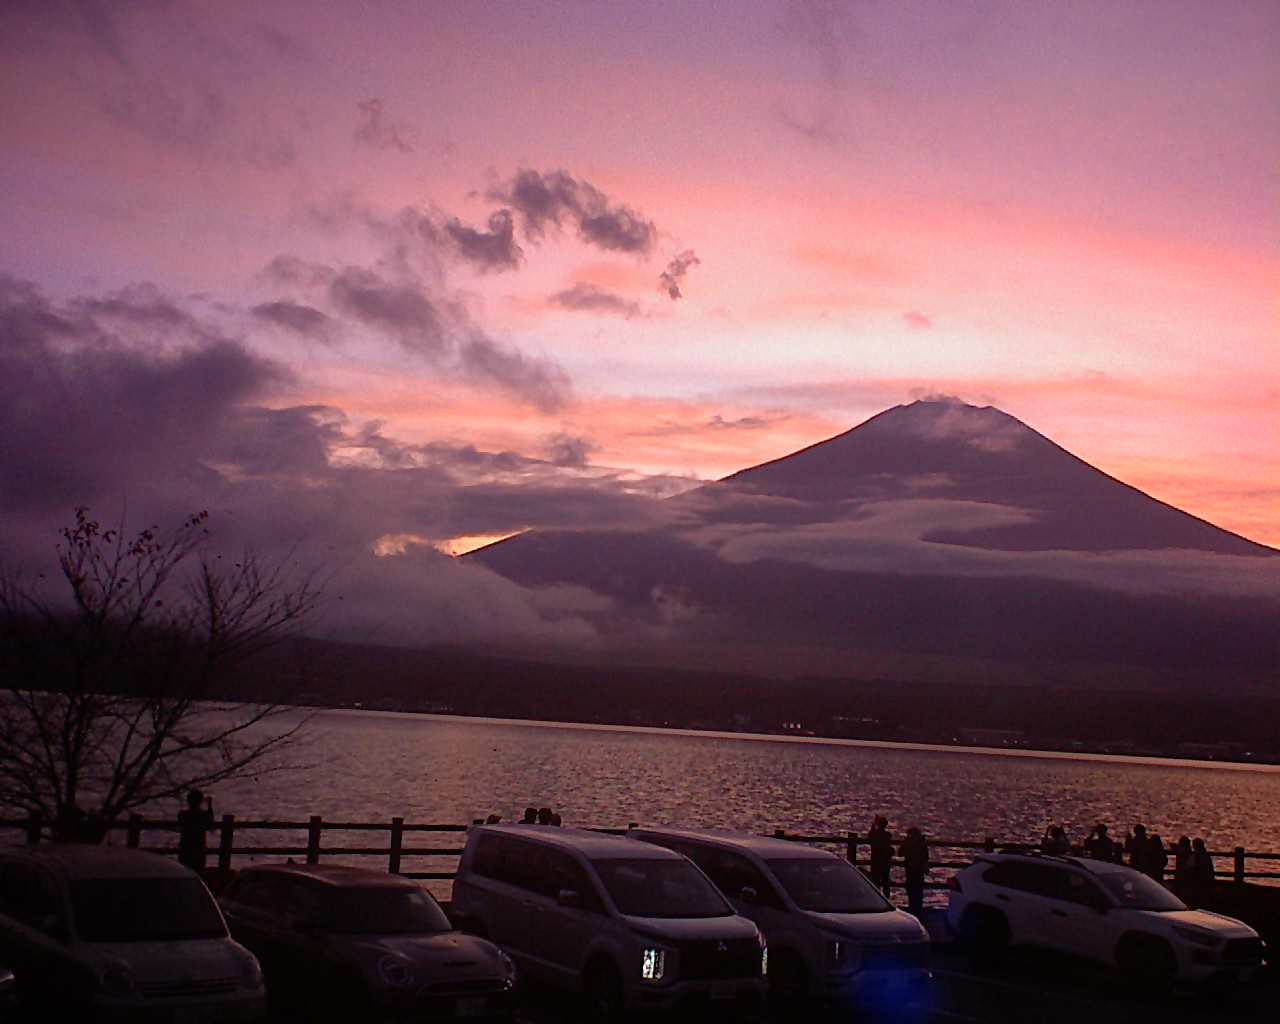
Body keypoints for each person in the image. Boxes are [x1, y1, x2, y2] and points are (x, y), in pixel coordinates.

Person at [177, 789, 215, 871]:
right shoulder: (202, 815)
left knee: (184, 871)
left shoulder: (183, 814)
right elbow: (210, 823)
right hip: (198, 850)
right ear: (200, 801)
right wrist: (209, 806)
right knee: (198, 872)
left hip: (185, 849)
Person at [899, 827, 929, 918]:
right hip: (916, 871)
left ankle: (914, 910)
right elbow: (926, 857)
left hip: (913, 871)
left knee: (913, 891)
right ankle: (917, 911)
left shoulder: (911, 843)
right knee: (917, 891)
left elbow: (900, 853)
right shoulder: (922, 843)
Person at [867, 816, 893, 896]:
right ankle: (886, 899)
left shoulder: (874, 834)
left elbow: (870, 834)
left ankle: (876, 898)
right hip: (885, 861)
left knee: (875, 881)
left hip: (876, 861)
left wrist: (874, 824)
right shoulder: (888, 835)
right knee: (885, 882)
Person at [1190, 837, 1215, 905]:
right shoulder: (1206, 855)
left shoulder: (1196, 856)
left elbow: (1193, 868)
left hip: (1199, 880)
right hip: (1206, 879)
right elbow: (1210, 868)